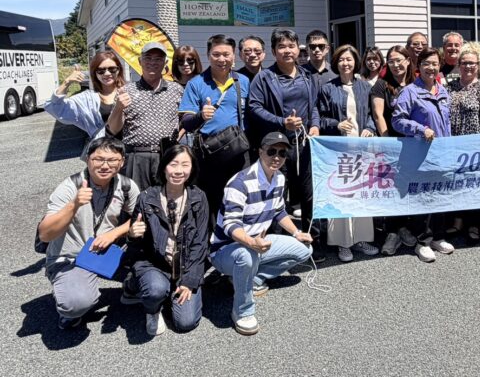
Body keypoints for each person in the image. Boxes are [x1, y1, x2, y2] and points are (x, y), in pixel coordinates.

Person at [210, 132, 313, 335]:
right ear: (260, 152)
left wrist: (296, 232)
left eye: (282, 153)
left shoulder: (279, 178)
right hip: (227, 249)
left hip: (258, 243)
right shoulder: (239, 183)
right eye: (271, 151)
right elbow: (231, 225)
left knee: (305, 249)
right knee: (246, 256)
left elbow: (279, 211)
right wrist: (251, 243)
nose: (277, 157)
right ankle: (243, 311)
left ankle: (251, 278)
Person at [38, 137, 139, 330]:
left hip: (106, 250)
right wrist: (74, 204)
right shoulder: (70, 186)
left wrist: (114, 233)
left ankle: (130, 286)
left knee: (148, 275)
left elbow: (139, 217)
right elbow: (45, 234)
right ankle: (70, 303)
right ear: (87, 159)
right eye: (98, 159)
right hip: (72, 257)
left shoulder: (126, 186)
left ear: (122, 162)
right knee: (76, 303)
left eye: (112, 160)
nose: (105, 165)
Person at [247, 28, 322, 258]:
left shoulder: (307, 76)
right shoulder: (264, 78)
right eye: (281, 46)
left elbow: (313, 107)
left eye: (291, 46)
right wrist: (282, 122)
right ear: (273, 51)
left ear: (298, 48)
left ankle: (312, 241)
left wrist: (315, 125)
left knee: (309, 194)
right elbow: (254, 107)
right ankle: (276, 247)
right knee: (277, 195)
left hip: (304, 143)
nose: (287, 50)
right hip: (277, 148)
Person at [124, 144, 208, 336]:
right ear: (163, 167)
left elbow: (201, 243)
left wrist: (189, 281)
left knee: (185, 323)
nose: (179, 170)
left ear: (192, 168)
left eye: (185, 165)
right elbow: (136, 249)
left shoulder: (198, 197)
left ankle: (170, 290)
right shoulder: (147, 198)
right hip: (155, 264)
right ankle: (152, 308)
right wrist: (132, 235)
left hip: (184, 266)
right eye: (173, 164)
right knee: (155, 290)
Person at [392, 47, 454, 262]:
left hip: (442, 153)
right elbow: (397, 120)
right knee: (424, 197)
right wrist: (420, 129)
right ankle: (422, 242)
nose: (431, 68)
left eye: (435, 63)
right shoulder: (410, 91)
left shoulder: (443, 91)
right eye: (426, 63)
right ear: (418, 66)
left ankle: (438, 236)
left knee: (440, 195)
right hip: (420, 155)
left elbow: (447, 123)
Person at [318, 45, 380, 262]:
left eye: (349, 59)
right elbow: (320, 117)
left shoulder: (365, 86)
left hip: (362, 150)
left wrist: (370, 128)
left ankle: (361, 239)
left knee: (361, 195)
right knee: (341, 195)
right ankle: (343, 242)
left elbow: (373, 113)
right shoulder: (328, 88)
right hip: (339, 152)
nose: (346, 63)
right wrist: (336, 124)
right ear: (336, 63)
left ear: (356, 62)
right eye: (342, 59)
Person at [179, 35, 250, 221]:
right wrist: (201, 115)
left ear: (234, 56)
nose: (221, 59)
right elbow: (186, 122)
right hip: (209, 153)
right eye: (216, 54)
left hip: (238, 152)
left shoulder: (242, 81)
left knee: (240, 199)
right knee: (211, 203)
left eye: (226, 54)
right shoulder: (196, 83)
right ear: (208, 55)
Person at [107, 42, 184, 190]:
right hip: (137, 158)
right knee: (137, 200)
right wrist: (119, 107)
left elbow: (184, 121)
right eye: (148, 58)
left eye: (158, 59)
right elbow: (113, 129)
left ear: (165, 62)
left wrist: (177, 138)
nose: (152, 62)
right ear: (140, 61)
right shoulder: (126, 91)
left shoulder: (176, 89)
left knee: (168, 198)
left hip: (167, 156)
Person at [448, 48, 480, 241]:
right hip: (453, 145)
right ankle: (457, 221)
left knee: (474, 186)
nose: (468, 66)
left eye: (472, 63)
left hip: (475, 147)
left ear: (478, 66)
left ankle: (475, 225)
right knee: (456, 184)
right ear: (458, 65)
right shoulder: (450, 87)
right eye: (464, 63)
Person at [370, 45, 416, 255]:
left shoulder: (417, 82)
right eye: (391, 61)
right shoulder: (381, 85)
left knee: (410, 187)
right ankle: (392, 232)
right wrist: (387, 141)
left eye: (399, 60)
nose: (396, 65)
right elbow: (378, 115)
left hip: (414, 143)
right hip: (391, 143)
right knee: (391, 187)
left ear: (408, 60)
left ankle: (405, 228)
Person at [45, 51, 125, 143]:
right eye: (101, 70)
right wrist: (67, 82)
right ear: (95, 73)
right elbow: (56, 108)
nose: (107, 73)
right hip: (103, 148)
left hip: (130, 148)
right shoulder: (87, 99)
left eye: (112, 69)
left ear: (119, 70)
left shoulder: (130, 91)